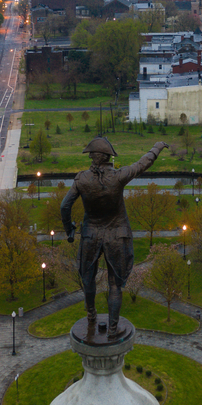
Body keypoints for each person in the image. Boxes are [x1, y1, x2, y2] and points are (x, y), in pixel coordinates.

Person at [61, 137, 168, 338]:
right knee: (115, 284)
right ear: (107, 158)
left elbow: (64, 206)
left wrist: (69, 229)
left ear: (94, 157)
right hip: (117, 235)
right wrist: (157, 147)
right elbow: (142, 164)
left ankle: (91, 315)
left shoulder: (82, 179)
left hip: (91, 235)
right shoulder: (118, 177)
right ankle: (112, 328)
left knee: (88, 279)